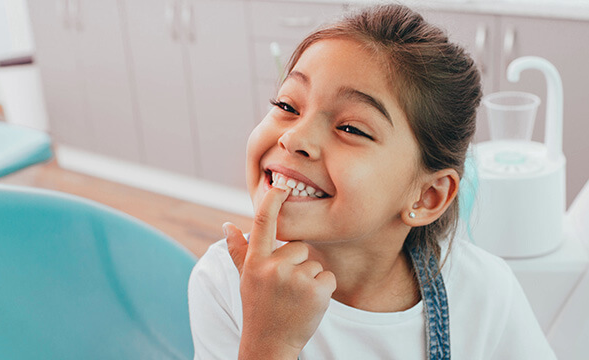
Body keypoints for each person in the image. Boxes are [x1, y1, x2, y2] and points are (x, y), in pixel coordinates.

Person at [188, 4, 556, 359]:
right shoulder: (223, 283)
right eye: (287, 105)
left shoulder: (486, 293)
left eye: (350, 128)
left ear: (427, 196)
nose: (294, 139)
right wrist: (268, 344)